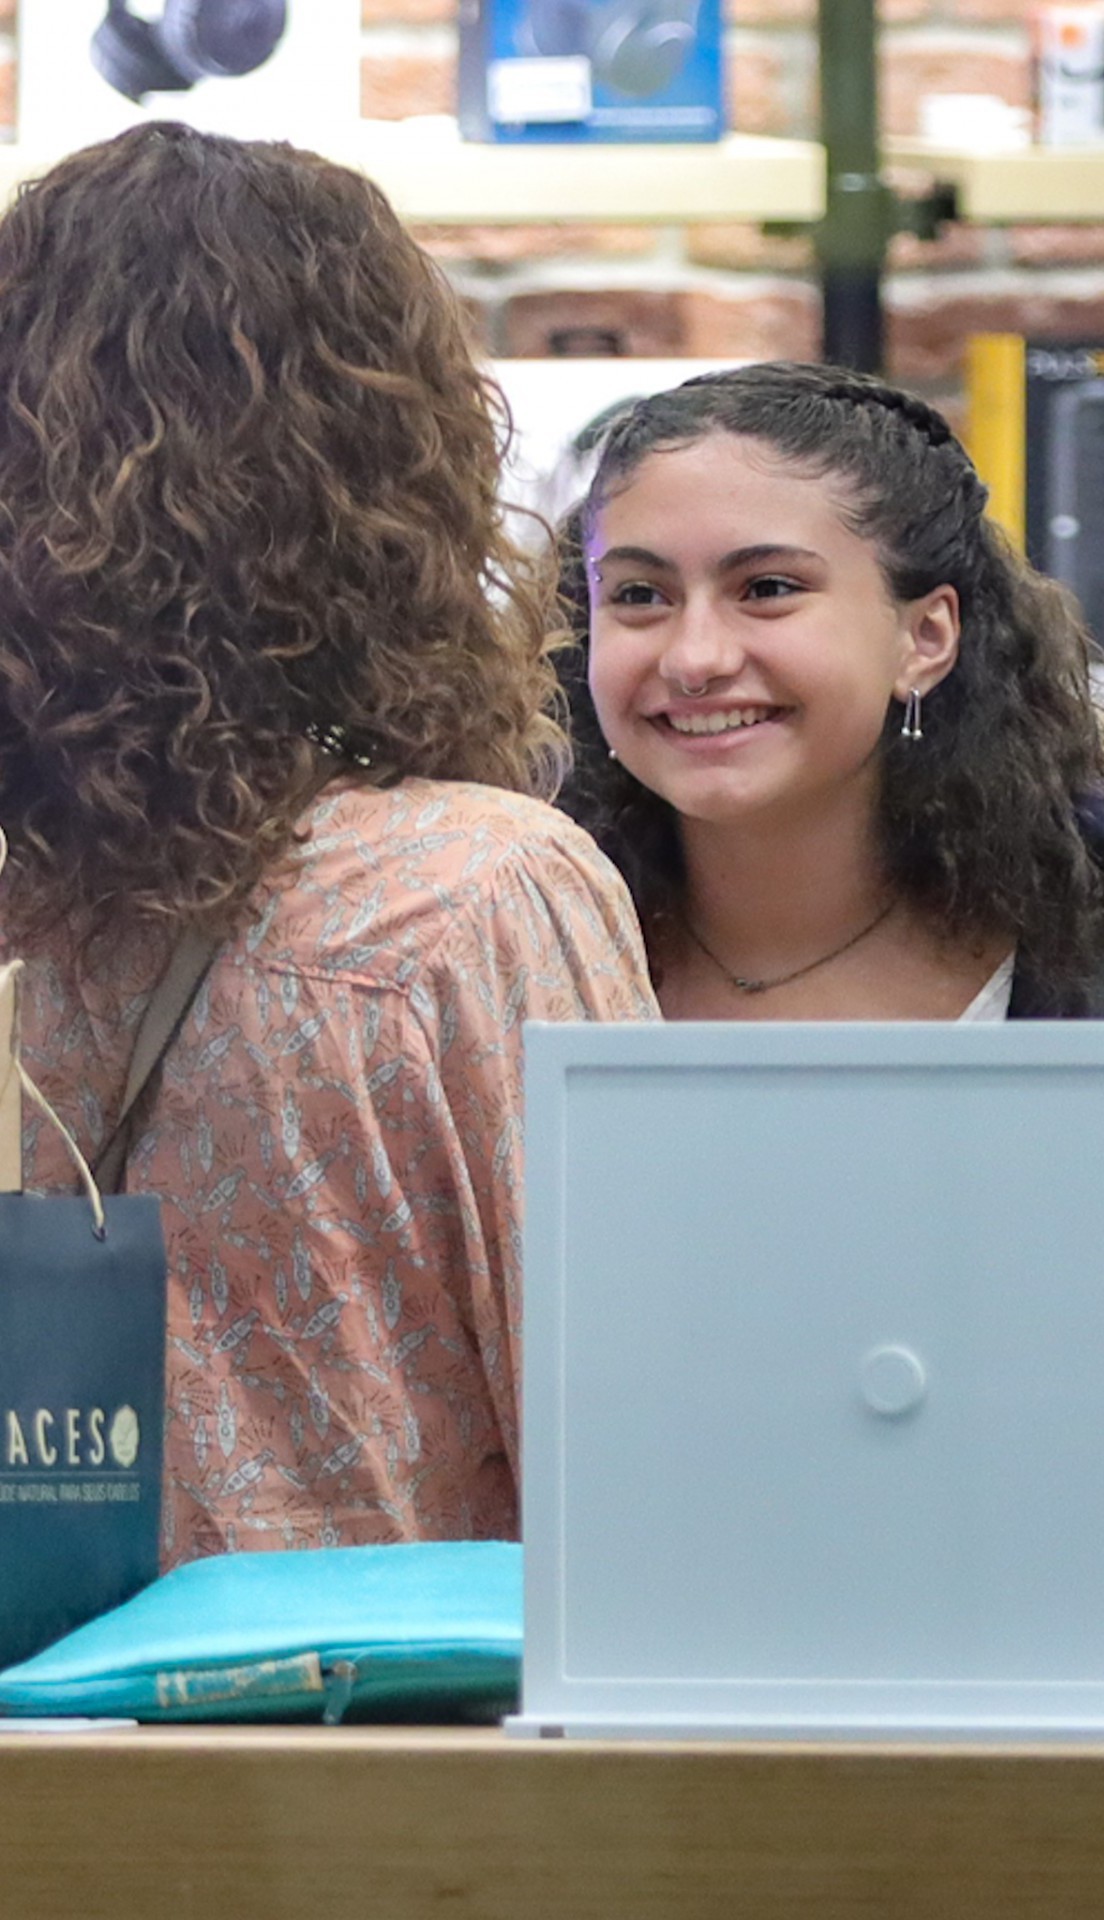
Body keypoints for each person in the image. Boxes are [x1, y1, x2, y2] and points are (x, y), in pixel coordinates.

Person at [0, 123, 657, 1566]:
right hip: (372, 1704)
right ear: (395, 465)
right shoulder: (469, 898)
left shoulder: (30, 917)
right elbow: (639, 1457)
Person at [556, 358, 1104, 1022]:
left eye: (768, 589)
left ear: (925, 638)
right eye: (640, 595)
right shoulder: (523, 958)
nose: (694, 659)